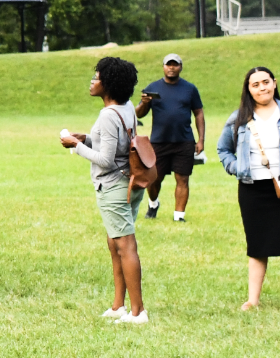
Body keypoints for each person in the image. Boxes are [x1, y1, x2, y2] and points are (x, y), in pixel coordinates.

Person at [214, 65, 280, 311]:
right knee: (257, 244)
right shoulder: (238, 117)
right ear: (249, 90)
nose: (262, 87)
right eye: (255, 84)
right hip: (252, 189)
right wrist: (236, 168)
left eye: (265, 82)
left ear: (274, 83)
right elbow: (223, 150)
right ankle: (253, 300)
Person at [58, 55, 145, 324]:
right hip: (129, 182)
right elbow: (116, 142)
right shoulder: (127, 106)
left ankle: (137, 311)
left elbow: (106, 160)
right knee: (115, 243)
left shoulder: (107, 114)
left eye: (97, 77)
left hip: (114, 185)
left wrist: (75, 145)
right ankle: (119, 305)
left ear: (108, 84)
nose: (92, 81)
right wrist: (89, 137)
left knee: (125, 245)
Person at [138, 53, 207, 221]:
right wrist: (145, 103)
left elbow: (198, 113)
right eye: (168, 64)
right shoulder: (152, 88)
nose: (171, 67)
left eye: (175, 64)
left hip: (184, 141)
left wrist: (201, 139)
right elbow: (139, 114)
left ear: (180, 67)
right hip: (159, 141)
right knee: (154, 179)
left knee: (182, 178)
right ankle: (153, 203)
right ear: (163, 67)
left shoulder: (190, 89)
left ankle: (179, 215)